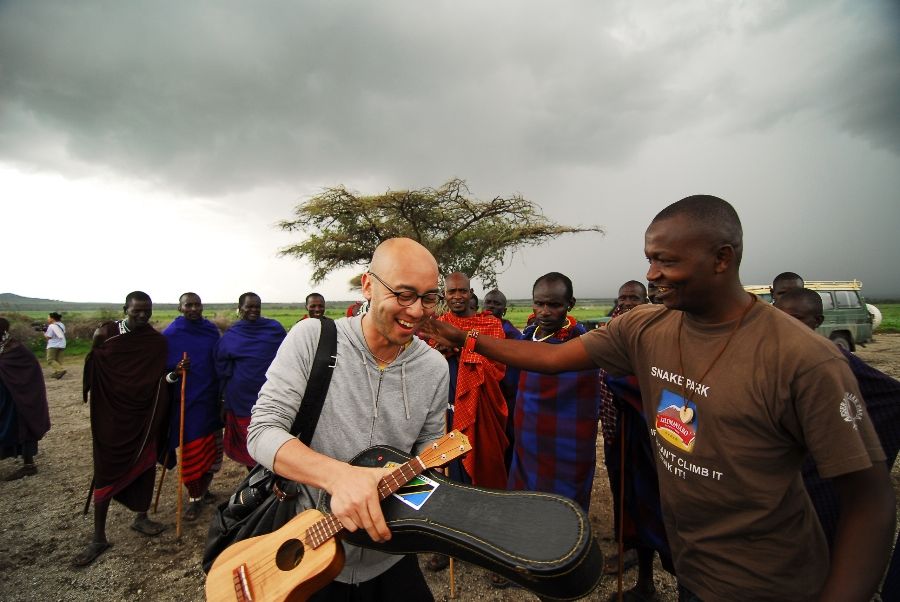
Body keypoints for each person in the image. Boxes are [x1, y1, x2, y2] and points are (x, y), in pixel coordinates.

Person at [421, 195, 894, 601]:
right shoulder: (644, 328)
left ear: (722, 258)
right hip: (692, 572)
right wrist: (461, 337)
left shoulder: (802, 359)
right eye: (650, 259)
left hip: (772, 581)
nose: (653, 274)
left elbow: (869, 503)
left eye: (667, 261)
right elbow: (550, 358)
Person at [247, 238, 448, 600]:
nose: (417, 311)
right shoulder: (314, 339)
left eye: (429, 297)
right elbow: (262, 431)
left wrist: (423, 496)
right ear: (368, 285)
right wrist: (341, 478)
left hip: (390, 554)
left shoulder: (433, 368)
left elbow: (429, 451)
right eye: (404, 294)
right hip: (307, 550)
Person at [774, 288, 900, 553]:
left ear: (817, 322)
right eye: (780, 318)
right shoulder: (770, 355)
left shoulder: (830, 359)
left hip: (814, 480)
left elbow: (888, 396)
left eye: (797, 318)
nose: (788, 327)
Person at [73, 291, 176, 567]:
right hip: (111, 415)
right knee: (105, 468)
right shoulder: (105, 333)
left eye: (147, 311)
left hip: (144, 415)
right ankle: (98, 536)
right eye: (136, 311)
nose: (142, 316)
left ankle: (141, 517)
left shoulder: (155, 342)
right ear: (125, 309)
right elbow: (93, 365)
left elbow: (158, 380)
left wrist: (174, 375)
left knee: (145, 463)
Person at [599, 281, 672, 599]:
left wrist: (624, 380)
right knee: (630, 502)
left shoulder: (662, 330)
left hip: (658, 438)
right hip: (622, 434)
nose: (627, 303)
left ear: (648, 300)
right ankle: (644, 581)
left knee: (662, 508)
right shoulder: (611, 330)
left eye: (634, 298)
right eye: (623, 298)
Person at [508, 272, 601, 511]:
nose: (545, 311)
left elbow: (590, 395)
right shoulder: (527, 339)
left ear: (570, 304)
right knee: (527, 497)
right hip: (528, 436)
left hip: (568, 442)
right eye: (539, 303)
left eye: (554, 305)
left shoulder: (583, 344)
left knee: (564, 503)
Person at [432, 272, 507, 488]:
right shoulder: (440, 324)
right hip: (446, 402)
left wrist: (460, 349)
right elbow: (426, 363)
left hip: (480, 406)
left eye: (462, 291)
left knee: (480, 456)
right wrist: (438, 351)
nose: (457, 296)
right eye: (451, 291)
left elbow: (498, 365)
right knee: (449, 460)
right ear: (444, 295)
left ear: (471, 292)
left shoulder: (489, 324)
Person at [162, 292, 223, 521]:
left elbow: (219, 358)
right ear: (180, 308)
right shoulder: (171, 335)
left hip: (211, 399)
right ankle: (194, 499)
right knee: (192, 451)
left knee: (213, 450)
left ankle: (204, 490)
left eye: (198, 304)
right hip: (187, 403)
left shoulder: (210, 330)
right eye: (189, 305)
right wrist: (176, 370)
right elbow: (164, 372)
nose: (194, 308)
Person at [214, 292, 286, 469]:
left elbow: (288, 356)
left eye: (257, 307)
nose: (254, 310)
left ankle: (270, 482)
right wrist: (222, 399)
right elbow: (222, 368)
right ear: (240, 309)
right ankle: (254, 484)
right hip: (241, 399)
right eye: (249, 307)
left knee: (272, 441)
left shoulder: (274, 329)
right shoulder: (232, 335)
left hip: (271, 395)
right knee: (250, 446)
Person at [0, 317, 50, 480]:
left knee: (23, 427)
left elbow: (30, 372)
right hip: (3, 398)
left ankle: (29, 465)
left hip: (17, 399)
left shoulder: (15, 349)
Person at [483, 288, 521, 471]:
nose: (491, 307)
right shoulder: (476, 330)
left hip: (505, 398)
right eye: (488, 302)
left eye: (496, 304)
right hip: (482, 398)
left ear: (504, 310)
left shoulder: (513, 336)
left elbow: (512, 376)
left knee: (506, 442)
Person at [44, 311, 66, 379]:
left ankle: (60, 370)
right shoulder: (61, 325)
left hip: (53, 345)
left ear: (52, 318)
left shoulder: (51, 326)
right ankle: (57, 373)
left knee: (50, 360)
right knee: (58, 360)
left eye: (49, 317)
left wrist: (44, 332)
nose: (48, 319)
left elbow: (48, 337)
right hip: (62, 344)